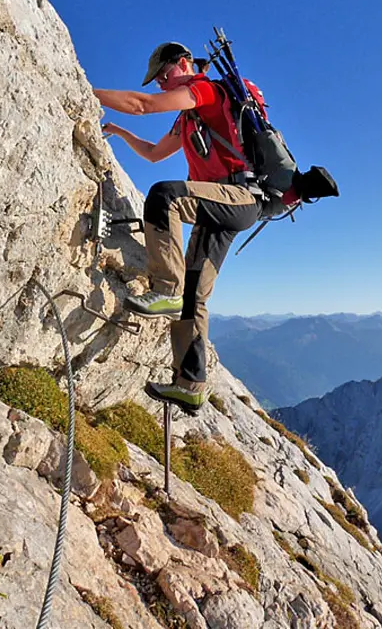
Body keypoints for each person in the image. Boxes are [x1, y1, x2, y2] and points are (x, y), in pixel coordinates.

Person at [94, 42, 291, 414]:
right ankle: (191, 384)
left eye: (166, 76)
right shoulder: (187, 118)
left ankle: (165, 287)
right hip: (221, 206)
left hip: (238, 196)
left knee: (164, 197)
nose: (163, 85)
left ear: (185, 63)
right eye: (159, 81)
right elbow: (154, 153)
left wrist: (87, 91)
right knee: (194, 296)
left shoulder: (206, 90)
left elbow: (143, 105)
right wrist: (119, 132)